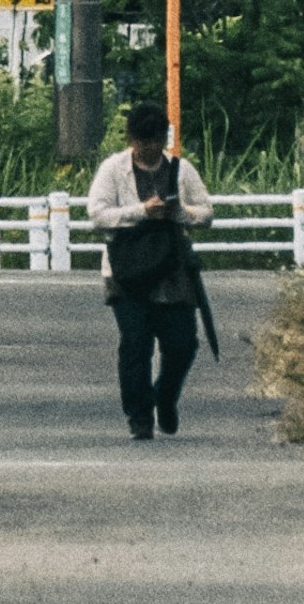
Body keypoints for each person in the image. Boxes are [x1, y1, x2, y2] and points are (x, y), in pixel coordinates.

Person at [87, 100, 214, 440]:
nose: (149, 148)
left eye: (155, 140)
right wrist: (141, 211)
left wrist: (179, 213)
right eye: (142, 141)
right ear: (131, 139)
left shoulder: (180, 169)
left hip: (171, 270)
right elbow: (97, 214)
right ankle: (139, 415)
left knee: (183, 344)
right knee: (135, 343)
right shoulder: (114, 169)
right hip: (126, 270)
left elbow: (206, 213)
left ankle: (165, 395)